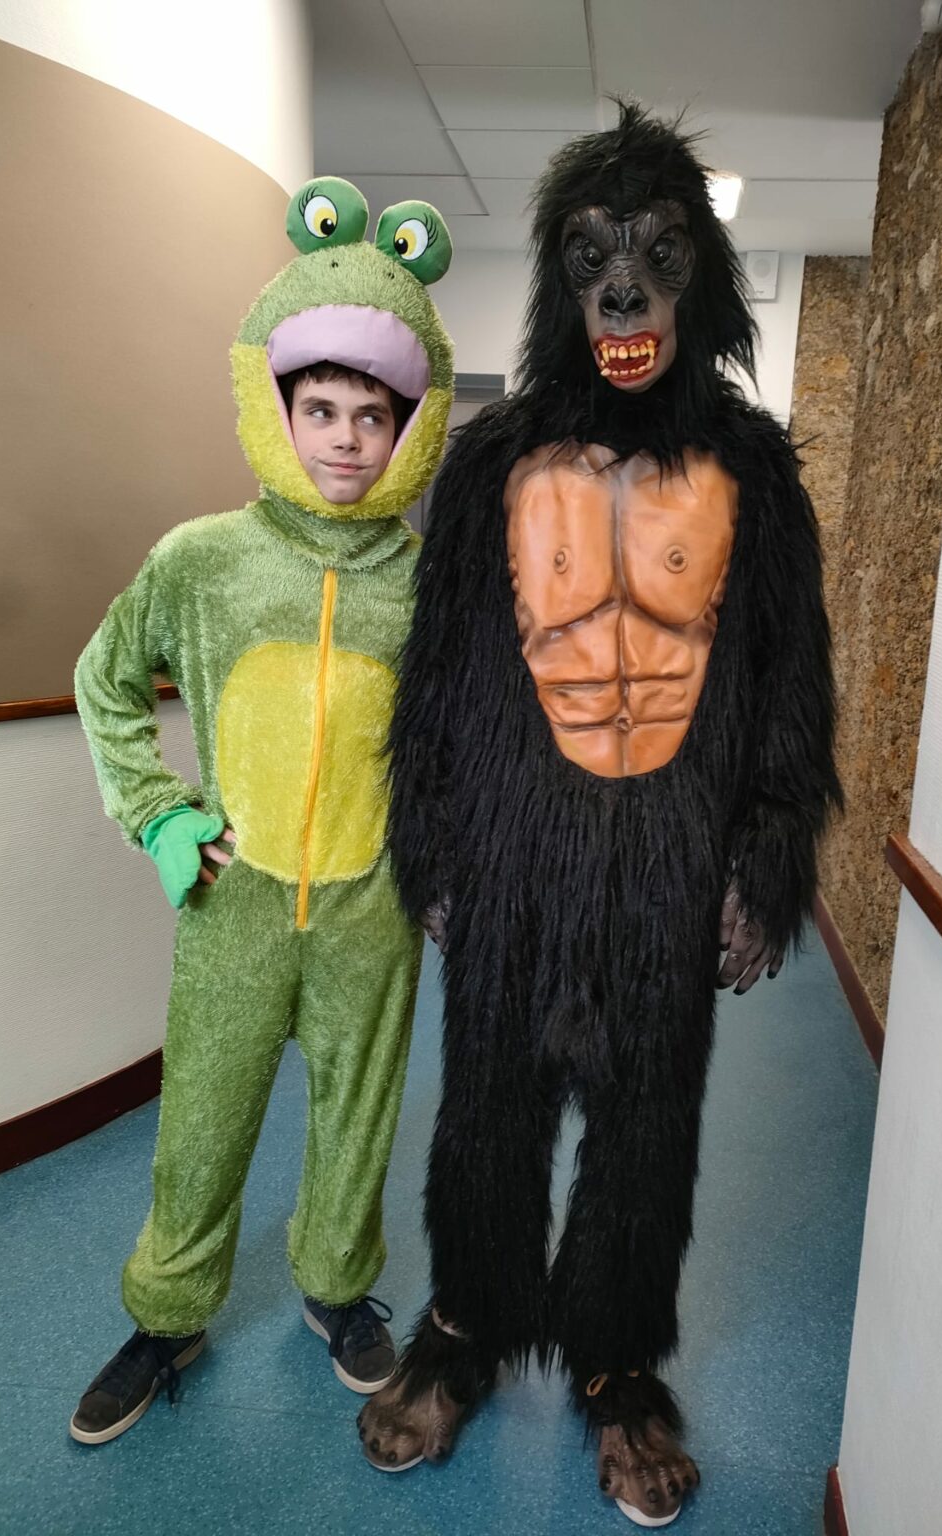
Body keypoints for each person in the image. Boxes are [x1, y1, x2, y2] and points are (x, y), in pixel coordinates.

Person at [361, 106, 839, 1527]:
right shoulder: (489, 465)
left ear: (701, 277)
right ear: (559, 281)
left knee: (649, 1124)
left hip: (669, 858)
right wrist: (432, 845)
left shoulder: (757, 475)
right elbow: (438, 676)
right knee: (486, 1112)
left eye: (656, 252)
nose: (624, 287)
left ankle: (619, 1366)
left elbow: (789, 685)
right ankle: (465, 1326)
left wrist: (766, 855)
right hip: (518, 846)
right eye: (593, 256)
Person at [69, 178, 455, 1445]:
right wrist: (160, 816)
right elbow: (104, 679)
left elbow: (458, 744)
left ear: (409, 427)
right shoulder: (203, 561)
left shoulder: (433, 585)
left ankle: (337, 1291)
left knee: (358, 1117)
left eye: (372, 416)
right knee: (204, 1119)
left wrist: (443, 863)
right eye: (321, 409)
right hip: (232, 900)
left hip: (370, 911)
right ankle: (168, 1314)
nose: (345, 440)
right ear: (276, 407)